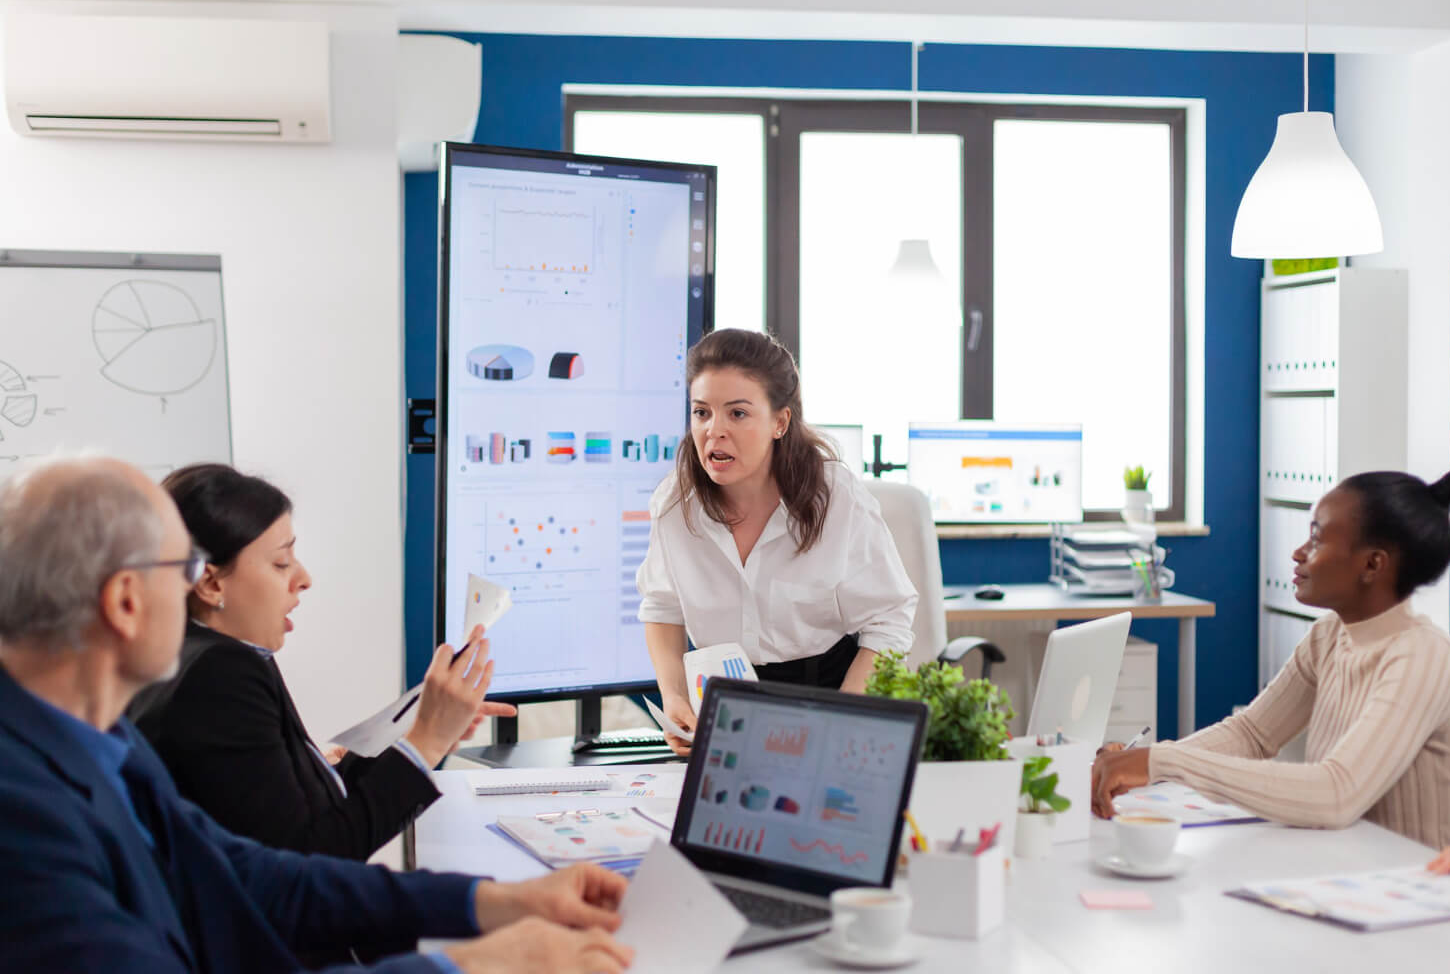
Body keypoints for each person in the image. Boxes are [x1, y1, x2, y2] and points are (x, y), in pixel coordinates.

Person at [0, 455, 632, 973]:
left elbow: (252, 875)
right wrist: (477, 966)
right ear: (127, 602)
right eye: (185, 568)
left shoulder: (104, 740)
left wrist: (494, 902)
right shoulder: (23, 823)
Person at [128, 463, 514, 861]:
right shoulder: (218, 676)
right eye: (281, 563)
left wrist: (423, 732)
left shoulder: (198, 656)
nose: (304, 578)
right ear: (211, 584)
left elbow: (303, 815)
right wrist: (426, 742)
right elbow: (314, 856)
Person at [1092, 469, 1450, 850]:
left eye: (1316, 538)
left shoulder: (1423, 657)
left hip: (1412, 891)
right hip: (1340, 870)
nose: (1299, 553)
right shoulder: (1329, 636)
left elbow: (1336, 794)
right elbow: (1252, 735)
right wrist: (1143, 765)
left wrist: (1163, 761)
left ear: (1372, 565)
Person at [637, 328, 917, 754]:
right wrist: (674, 698)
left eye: (738, 414)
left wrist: (844, 719)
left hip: (830, 696)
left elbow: (889, 620)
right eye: (701, 412)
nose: (714, 431)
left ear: (780, 422)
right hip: (725, 709)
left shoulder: (835, 497)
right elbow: (662, 606)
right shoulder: (676, 504)